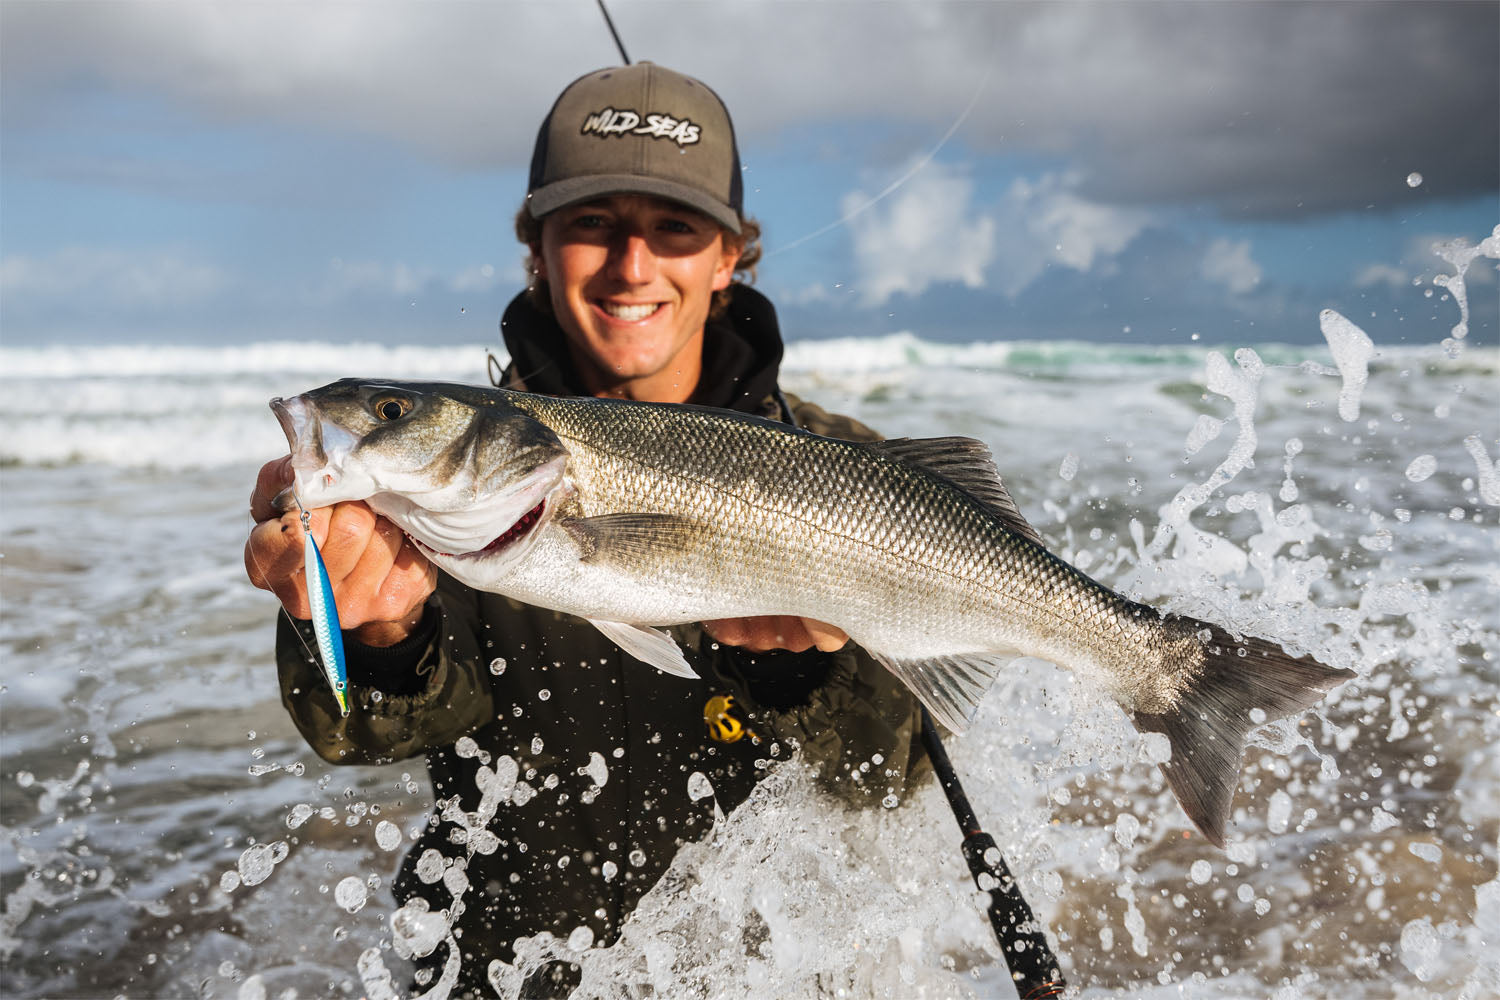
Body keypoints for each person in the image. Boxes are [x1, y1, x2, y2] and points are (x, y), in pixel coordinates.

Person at [245, 62, 923, 998]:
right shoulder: (439, 486)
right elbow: (361, 737)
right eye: (593, 224)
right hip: (502, 970)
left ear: (729, 257)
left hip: (768, 974)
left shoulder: (856, 468)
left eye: (675, 228)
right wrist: (378, 637)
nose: (632, 266)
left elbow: (885, 782)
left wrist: (796, 673)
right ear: (539, 249)